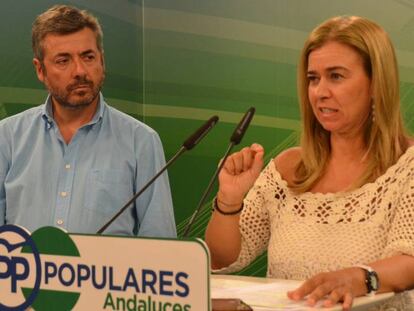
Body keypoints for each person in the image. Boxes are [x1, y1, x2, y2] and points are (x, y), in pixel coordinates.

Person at [205, 15, 414, 310]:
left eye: (336, 76)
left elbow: (410, 262)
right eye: (313, 79)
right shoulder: (287, 168)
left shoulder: (408, 165)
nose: (320, 92)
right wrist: (229, 199)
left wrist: (360, 277)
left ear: (376, 83)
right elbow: (222, 259)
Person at [0, 5, 176, 238]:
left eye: (88, 57)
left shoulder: (140, 141)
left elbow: (161, 245)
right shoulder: (7, 137)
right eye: (63, 61)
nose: (80, 71)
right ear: (40, 70)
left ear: (102, 61)